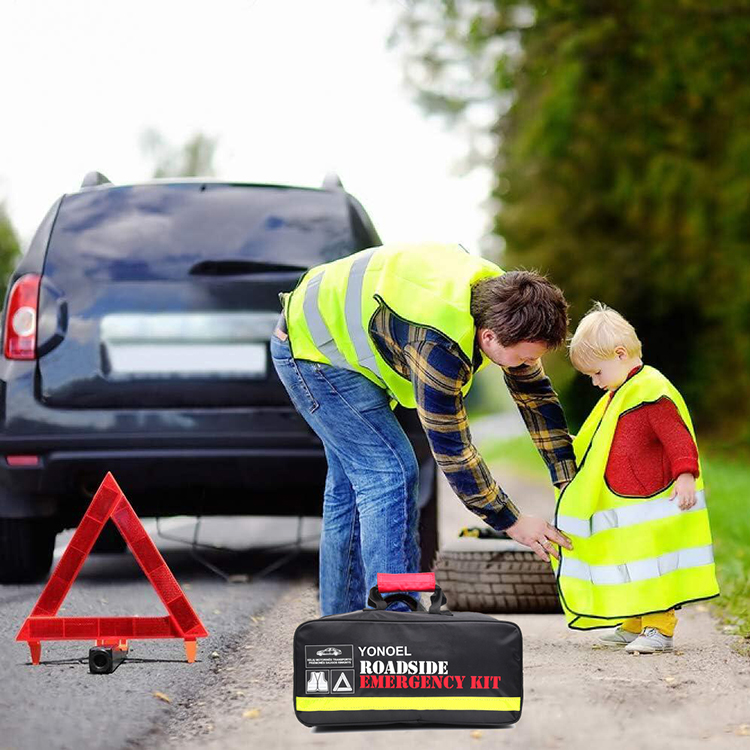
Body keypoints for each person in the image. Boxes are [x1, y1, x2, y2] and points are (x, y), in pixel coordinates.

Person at [271, 240, 575, 616]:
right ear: (490, 338)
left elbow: (536, 397)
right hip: (313, 351)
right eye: (527, 356)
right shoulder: (438, 344)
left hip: (333, 337)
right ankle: (394, 617)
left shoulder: (509, 303)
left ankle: (341, 621)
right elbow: (453, 449)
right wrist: (511, 521)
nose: (530, 363)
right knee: (390, 472)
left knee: (351, 488)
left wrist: (567, 479)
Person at [555, 302, 720, 652]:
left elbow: (677, 436)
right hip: (627, 502)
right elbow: (597, 439)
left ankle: (659, 629)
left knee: (654, 565)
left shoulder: (651, 392)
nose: (595, 382)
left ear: (619, 354)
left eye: (596, 373)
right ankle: (633, 623)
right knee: (631, 563)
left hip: (654, 502)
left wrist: (686, 474)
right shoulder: (619, 394)